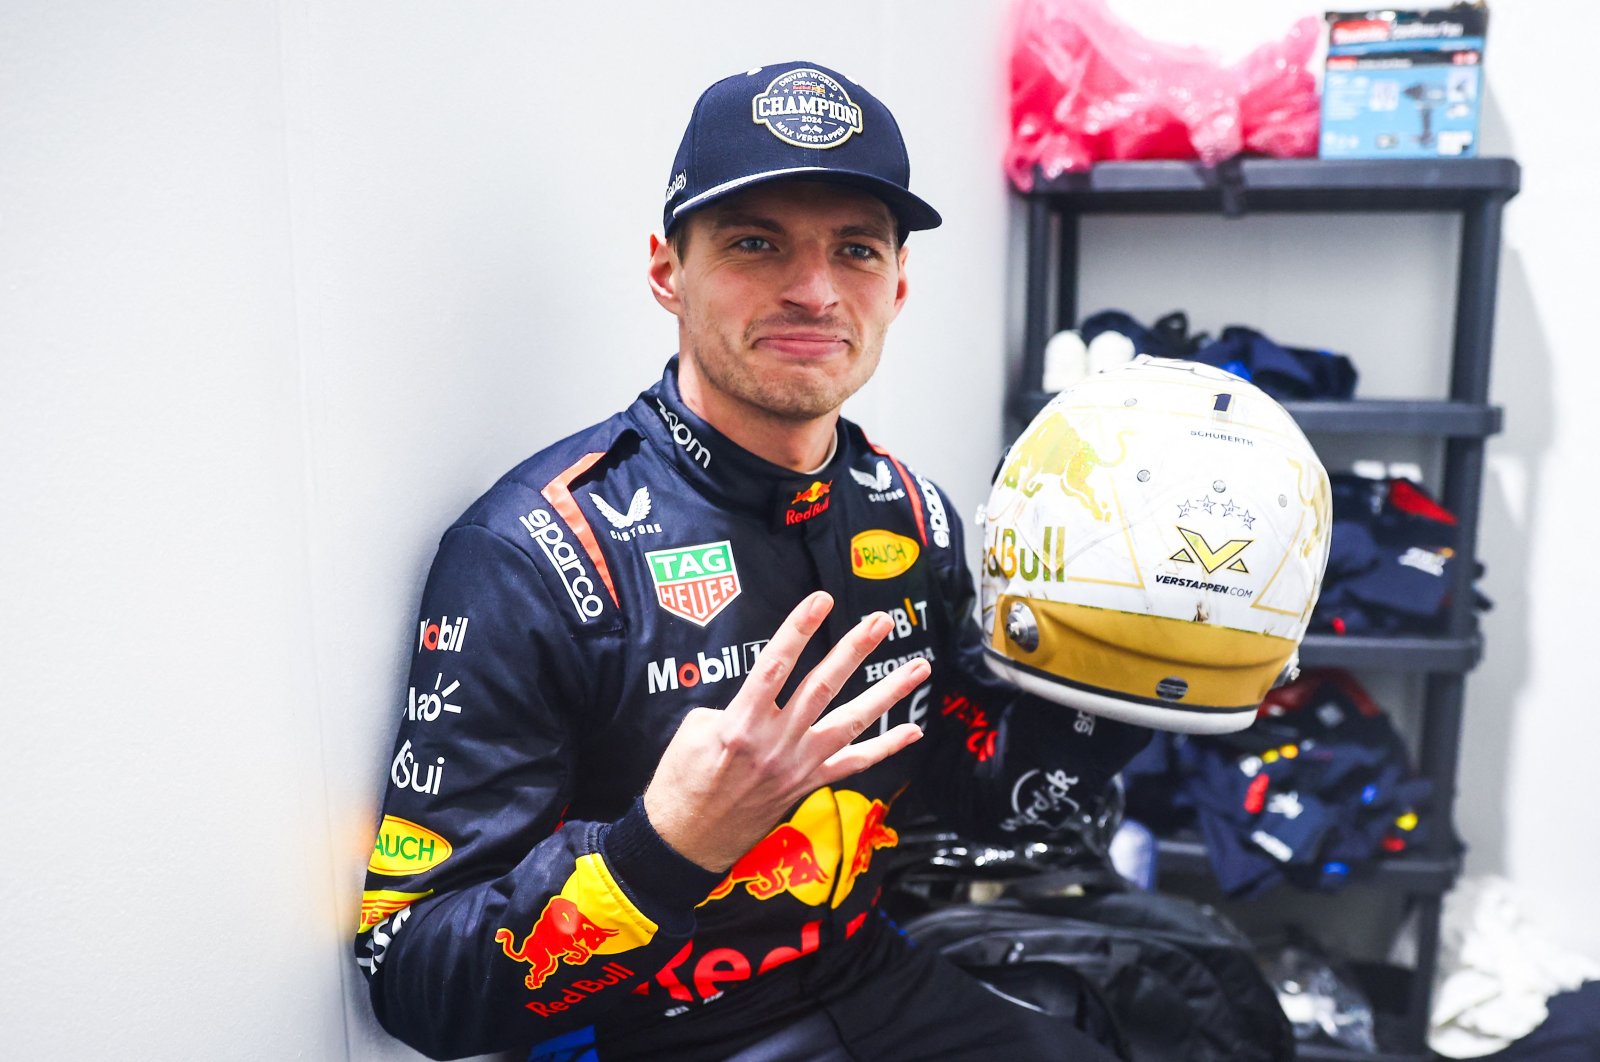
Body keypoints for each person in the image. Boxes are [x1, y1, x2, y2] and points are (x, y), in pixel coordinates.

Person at [357, 61, 1151, 1061]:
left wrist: (1118, 682)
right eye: (753, 243)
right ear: (665, 271)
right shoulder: (537, 551)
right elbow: (410, 978)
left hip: (861, 976)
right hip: (629, 1034)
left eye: (854, 251)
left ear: (896, 287)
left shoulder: (909, 511)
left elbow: (971, 789)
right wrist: (664, 847)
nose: (814, 290)